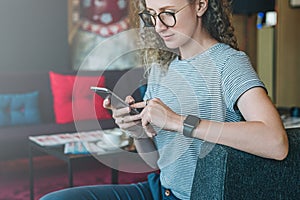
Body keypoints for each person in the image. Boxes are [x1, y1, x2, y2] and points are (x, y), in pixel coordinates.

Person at [41, 0, 288, 199]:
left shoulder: (228, 63)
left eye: (168, 13)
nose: (159, 26)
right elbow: (157, 161)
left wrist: (177, 121)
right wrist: (138, 130)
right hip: (159, 189)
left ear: (200, 5)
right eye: (151, 15)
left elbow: (276, 142)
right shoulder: (162, 66)